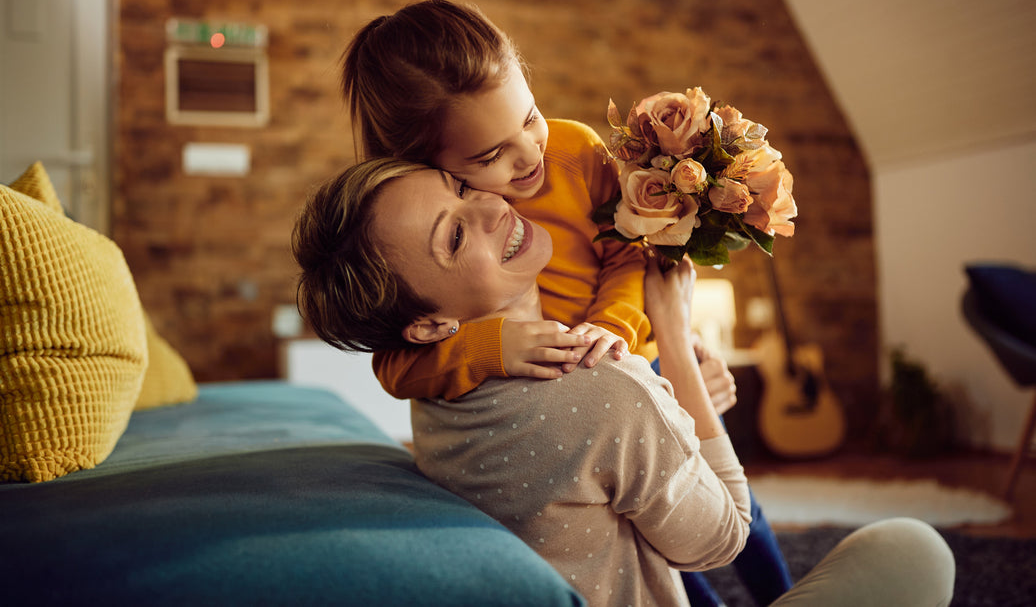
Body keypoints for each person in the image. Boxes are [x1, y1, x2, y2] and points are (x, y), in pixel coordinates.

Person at [291, 159, 956, 607]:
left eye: (463, 188)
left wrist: (670, 391)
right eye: (456, 233)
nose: (494, 206)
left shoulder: (432, 398)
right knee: (916, 546)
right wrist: (670, 328)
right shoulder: (603, 384)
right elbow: (722, 536)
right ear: (431, 324)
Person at [340, 0, 788, 605]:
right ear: (425, 167)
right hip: (578, 396)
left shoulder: (574, 150)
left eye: (529, 118)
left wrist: (622, 335)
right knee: (660, 552)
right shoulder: (435, 235)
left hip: (624, 355)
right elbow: (395, 365)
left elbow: (627, 253)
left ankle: (785, 593)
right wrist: (492, 345)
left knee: (725, 508)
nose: (528, 156)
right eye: (488, 156)